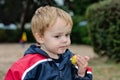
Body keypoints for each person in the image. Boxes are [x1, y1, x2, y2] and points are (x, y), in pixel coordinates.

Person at [4, 6, 92, 80]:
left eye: (67, 35)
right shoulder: (28, 66)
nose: (65, 40)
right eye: (57, 36)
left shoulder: (70, 61)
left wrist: (81, 73)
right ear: (40, 37)